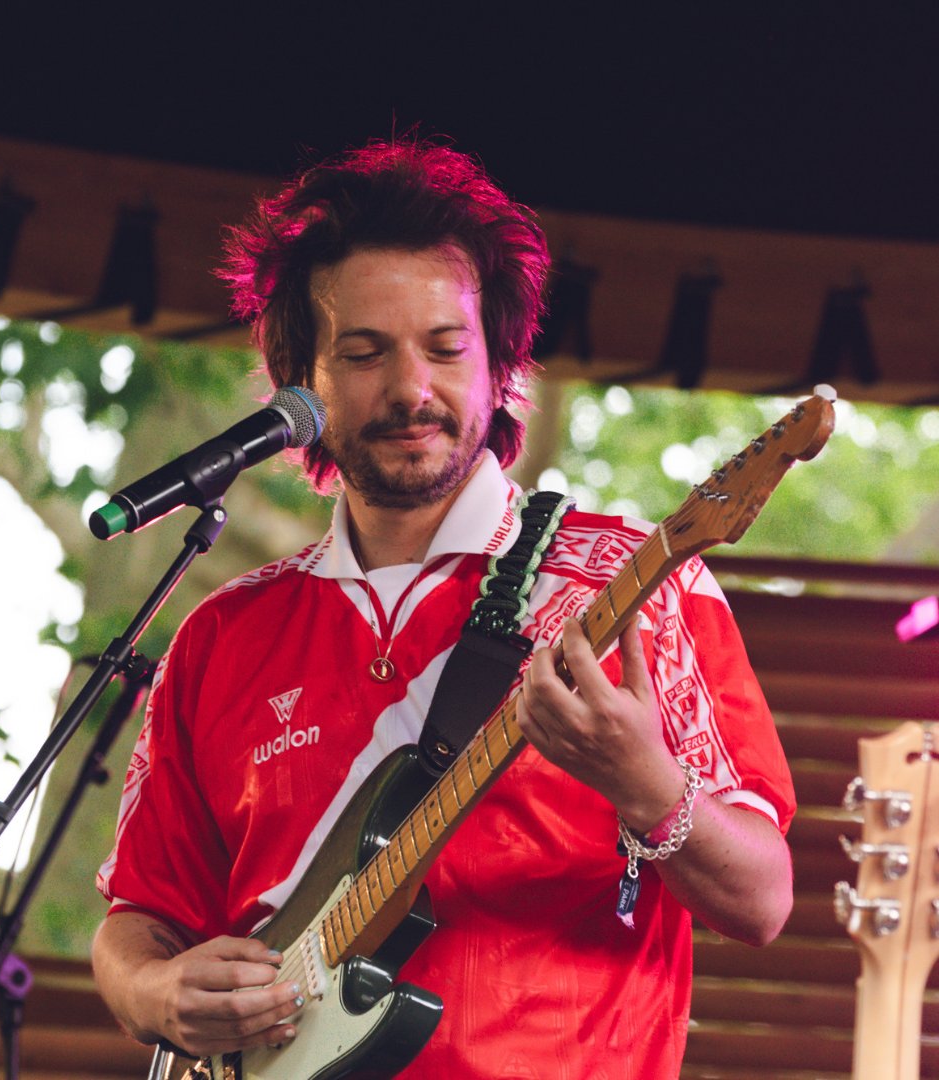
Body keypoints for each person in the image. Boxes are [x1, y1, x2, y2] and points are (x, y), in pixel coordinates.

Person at [91, 140, 795, 1079]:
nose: (411, 389)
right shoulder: (222, 636)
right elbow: (138, 918)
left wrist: (643, 782)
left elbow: (762, 899)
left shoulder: (634, 580)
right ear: (302, 380)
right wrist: (155, 995)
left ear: (501, 364)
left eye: (445, 347)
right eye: (364, 352)